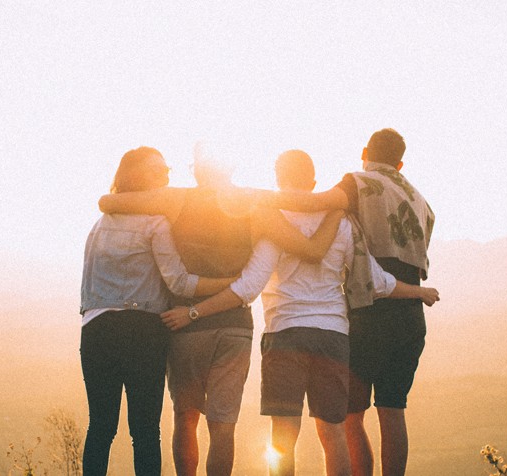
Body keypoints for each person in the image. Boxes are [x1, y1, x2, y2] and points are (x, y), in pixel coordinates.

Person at [162, 150, 439, 476]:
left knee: (283, 436)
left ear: (278, 178)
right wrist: (418, 291)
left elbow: (249, 287)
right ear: (314, 180)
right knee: (333, 433)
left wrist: (195, 312)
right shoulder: (342, 222)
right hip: (333, 336)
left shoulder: (273, 220)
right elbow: (375, 281)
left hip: (285, 334)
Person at [98, 146, 343, 476]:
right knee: (222, 427)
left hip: (185, 325)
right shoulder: (255, 203)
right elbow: (311, 246)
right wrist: (342, 203)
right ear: (231, 166)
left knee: (185, 418)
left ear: (197, 169)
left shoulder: (175, 199)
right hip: (235, 328)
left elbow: (107, 202)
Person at [261, 130, 435, 475]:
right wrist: (417, 292)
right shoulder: (420, 201)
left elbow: (313, 204)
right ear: (400, 163)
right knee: (393, 409)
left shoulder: (358, 183)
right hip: (409, 312)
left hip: (367, 311)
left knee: (350, 418)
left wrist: (253, 199)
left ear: (364, 152)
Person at [79, 147, 238, 475]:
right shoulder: (156, 222)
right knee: (146, 431)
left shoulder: (99, 225)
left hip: (95, 329)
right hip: (142, 330)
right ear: (138, 177)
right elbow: (179, 282)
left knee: (100, 427)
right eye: (158, 170)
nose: (166, 174)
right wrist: (228, 283)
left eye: (167, 167)